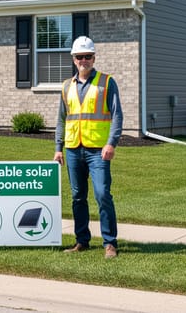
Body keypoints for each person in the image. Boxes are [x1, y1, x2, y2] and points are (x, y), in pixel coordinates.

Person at [53, 36, 123, 259]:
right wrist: (58, 148)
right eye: (79, 56)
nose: (84, 60)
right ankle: (82, 240)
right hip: (74, 149)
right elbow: (61, 119)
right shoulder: (66, 86)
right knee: (77, 197)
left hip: (98, 150)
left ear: (94, 58)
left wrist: (111, 143)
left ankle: (110, 243)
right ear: (74, 59)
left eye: (88, 56)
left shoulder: (107, 82)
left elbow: (117, 116)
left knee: (102, 194)